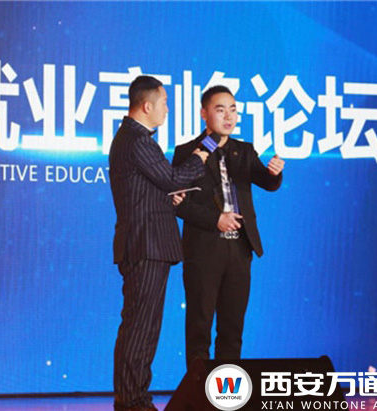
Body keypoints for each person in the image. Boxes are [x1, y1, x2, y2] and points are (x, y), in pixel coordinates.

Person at [109, 75, 209, 411]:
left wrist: (167, 197)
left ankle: (133, 398)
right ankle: (132, 401)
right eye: (164, 102)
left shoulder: (134, 139)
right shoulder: (137, 140)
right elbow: (171, 178)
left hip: (148, 244)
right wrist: (199, 157)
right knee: (140, 327)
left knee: (144, 326)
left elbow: (153, 188)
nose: (167, 109)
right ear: (146, 105)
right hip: (145, 245)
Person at [172, 85, 285, 367]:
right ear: (204, 114)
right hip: (204, 250)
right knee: (199, 326)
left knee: (232, 328)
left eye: (233, 110)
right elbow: (179, 204)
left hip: (239, 249)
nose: (228, 116)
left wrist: (274, 173)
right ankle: (199, 390)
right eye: (220, 110)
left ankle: (227, 390)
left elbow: (266, 182)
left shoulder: (243, 151)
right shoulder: (187, 152)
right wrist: (216, 220)